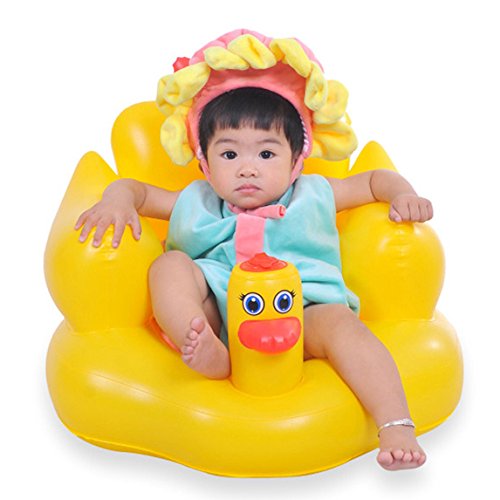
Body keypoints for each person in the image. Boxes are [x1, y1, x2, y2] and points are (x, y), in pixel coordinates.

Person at [75, 30, 433, 471]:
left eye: (266, 154)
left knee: (344, 328)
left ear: (296, 160)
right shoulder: (196, 201)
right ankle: (199, 343)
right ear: (205, 163)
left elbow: (375, 180)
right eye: (229, 155)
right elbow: (137, 190)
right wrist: (117, 201)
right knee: (169, 265)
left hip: (304, 310)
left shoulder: (313, 193)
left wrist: (403, 194)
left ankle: (395, 423)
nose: (247, 168)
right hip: (219, 309)